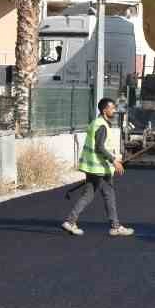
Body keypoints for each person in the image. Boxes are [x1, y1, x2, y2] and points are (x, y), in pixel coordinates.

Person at [61, 97, 134, 237]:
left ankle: (70, 221)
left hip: (93, 167)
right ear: (104, 110)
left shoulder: (97, 123)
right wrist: (114, 161)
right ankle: (115, 226)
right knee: (109, 195)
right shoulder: (101, 125)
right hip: (100, 168)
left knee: (89, 195)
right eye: (112, 108)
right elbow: (99, 147)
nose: (114, 110)